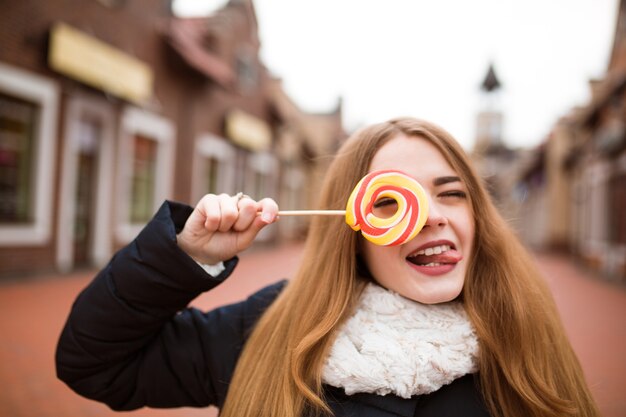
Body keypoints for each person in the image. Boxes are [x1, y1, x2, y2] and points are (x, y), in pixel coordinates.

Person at [56, 117, 600, 417]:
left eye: (452, 194)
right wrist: (184, 258)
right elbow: (95, 364)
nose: (431, 216)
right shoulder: (266, 330)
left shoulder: (524, 337)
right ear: (354, 228)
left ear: (477, 215)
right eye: (391, 201)